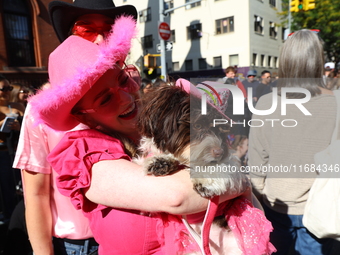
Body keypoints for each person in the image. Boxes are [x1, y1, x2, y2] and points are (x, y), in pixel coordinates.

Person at [29, 16, 250, 255]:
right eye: (105, 99)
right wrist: (239, 179)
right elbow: (178, 196)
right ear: (85, 117)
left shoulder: (163, 123)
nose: (125, 97)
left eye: (123, 80)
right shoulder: (85, 155)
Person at [13, 0, 138, 254]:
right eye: (87, 29)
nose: (100, 38)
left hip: (137, 234)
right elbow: (36, 194)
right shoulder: (43, 107)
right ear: (69, 35)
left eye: (109, 29)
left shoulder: (129, 88)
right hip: (79, 246)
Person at [248, 29, 336, 255]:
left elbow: (257, 161)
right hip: (320, 208)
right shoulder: (335, 103)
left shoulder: (267, 102)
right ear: (319, 61)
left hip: (276, 202)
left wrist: (256, 198)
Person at [0, 74, 24, 223]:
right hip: (2, 153)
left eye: (9, 88)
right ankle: (9, 218)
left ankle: (20, 216)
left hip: (16, 151)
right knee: (6, 188)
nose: (8, 91)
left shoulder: (17, 106)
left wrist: (18, 126)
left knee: (20, 187)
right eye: (4, 88)